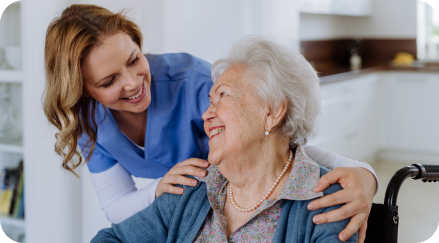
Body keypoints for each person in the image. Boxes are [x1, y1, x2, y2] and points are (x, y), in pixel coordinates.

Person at [43, 4, 376, 242]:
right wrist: (159, 190)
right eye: (108, 81)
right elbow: (115, 214)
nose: (132, 83)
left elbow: (277, 141)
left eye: (134, 60)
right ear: (83, 92)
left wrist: (361, 173)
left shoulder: (192, 81)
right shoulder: (177, 198)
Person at [92, 36, 358, 243]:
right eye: (209, 100)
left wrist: (364, 173)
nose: (206, 114)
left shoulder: (327, 204)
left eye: (223, 96)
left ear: (272, 111)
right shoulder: (191, 190)